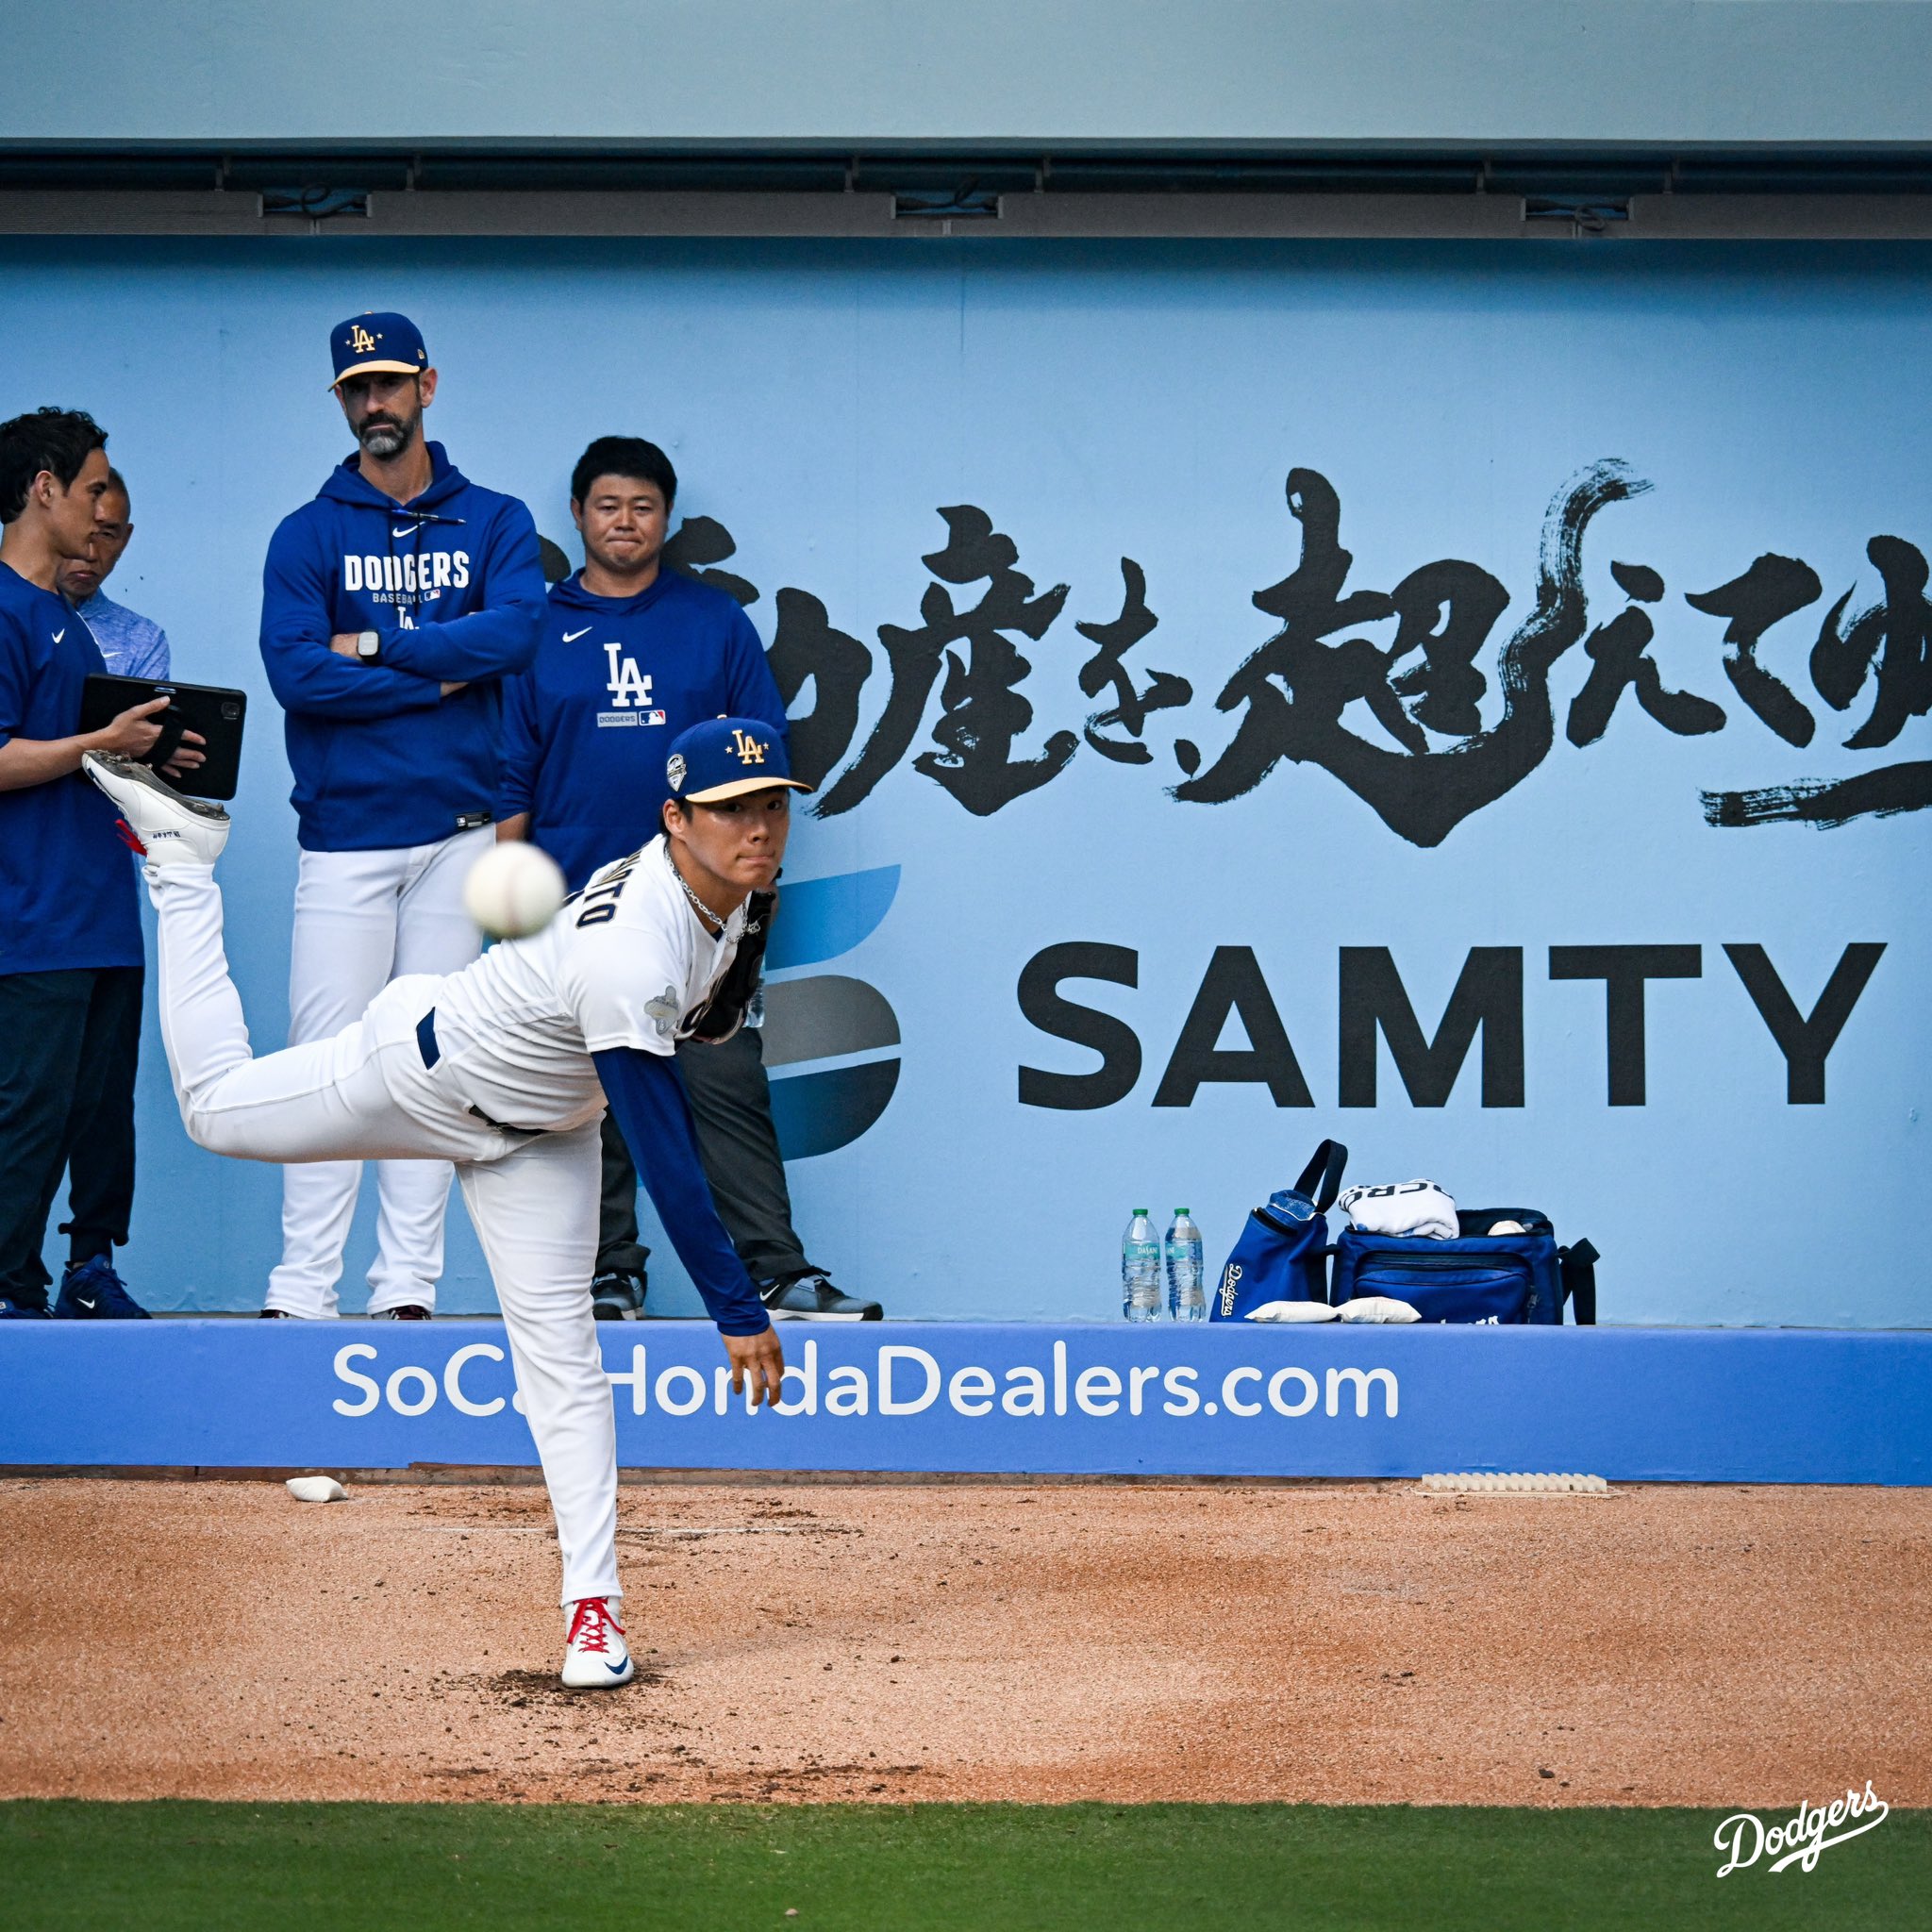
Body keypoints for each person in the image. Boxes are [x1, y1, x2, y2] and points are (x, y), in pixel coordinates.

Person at [83, 717, 794, 1686]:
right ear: (675, 818)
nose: (756, 827)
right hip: (420, 1069)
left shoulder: (739, 896)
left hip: (538, 1138)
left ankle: (594, 1615)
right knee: (212, 1110)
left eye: (770, 804)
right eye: (728, 809)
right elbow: (666, 1154)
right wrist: (736, 1307)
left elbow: (699, 1019)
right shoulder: (631, 949)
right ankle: (181, 862)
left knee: (564, 1359)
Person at [497, 436, 879, 1324]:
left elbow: (762, 765)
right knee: (591, 1103)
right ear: (579, 515)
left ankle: (779, 1275)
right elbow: (514, 774)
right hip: (572, 910)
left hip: (701, 910)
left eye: (642, 506)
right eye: (606, 505)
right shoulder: (539, 630)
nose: (624, 521)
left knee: (726, 1085)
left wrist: (745, 889)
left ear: (666, 518)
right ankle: (607, 1276)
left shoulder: (714, 624)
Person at [258, 310, 546, 1321]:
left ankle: (406, 1288)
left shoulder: (496, 518)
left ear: (428, 384)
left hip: (460, 827)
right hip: (343, 832)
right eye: (355, 389)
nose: (373, 403)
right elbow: (296, 674)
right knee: (324, 1058)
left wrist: (376, 654)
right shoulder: (308, 531)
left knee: (429, 1058)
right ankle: (301, 1288)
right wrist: (435, 679)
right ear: (339, 400)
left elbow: (513, 637)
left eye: (388, 383)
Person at [0, 409, 187, 1321]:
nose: (106, 508)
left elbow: (88, 756)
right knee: (26, 1115)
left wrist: (144, 754)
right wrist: (96, 743)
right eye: (95, 487)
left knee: (97, 1115)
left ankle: (79, 1278)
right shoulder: (3, 608)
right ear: (45, 489)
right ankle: (10, 1297)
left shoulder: (64, 624)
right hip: (30, 918)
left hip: (102, 910)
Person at [43, 468, 174, 1312]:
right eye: (92, 523)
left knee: (100, 1098)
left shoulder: (137, 639)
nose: (99, 546)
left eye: (117, 534)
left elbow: (143, 770)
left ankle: (91, 1266)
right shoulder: (15, 616)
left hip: (102, 894)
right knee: (25, 1097)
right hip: (25, 898)